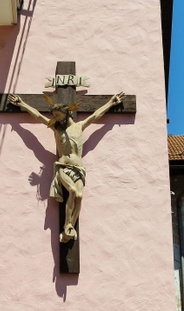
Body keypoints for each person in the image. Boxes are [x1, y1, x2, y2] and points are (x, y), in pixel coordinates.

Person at [8, 92, 125, 242]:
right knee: (73, 191)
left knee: (79, 196)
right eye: (54, 115)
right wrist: (22, 104)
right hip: (63, 167)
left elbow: (95, 115)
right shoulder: (57, 129)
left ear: (66, 112)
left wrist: (111, 103)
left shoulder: (79, 126)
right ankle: (66, 225)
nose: (55, 118)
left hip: (78, 169)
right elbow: (38, 116)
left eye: (57, 115)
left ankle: (70, 226)